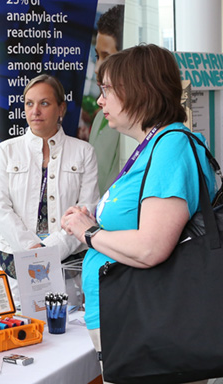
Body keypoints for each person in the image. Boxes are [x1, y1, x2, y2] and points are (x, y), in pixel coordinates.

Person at [62, 44, 216, 384]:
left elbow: (151, 247)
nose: (100, 101)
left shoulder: (171, 146)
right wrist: (95, 224)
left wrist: (89, 233)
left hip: (148, 324)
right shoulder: (155, 146)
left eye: (106, 90)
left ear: (138, 90)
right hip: (137, 320)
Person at [0, 74, 99, 286]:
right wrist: (32, 249)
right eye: (29, 104)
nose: (35, 111)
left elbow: (87, 208)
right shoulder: (7, 151)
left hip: (69, 260)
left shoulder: (84, 152)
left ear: (61, 109)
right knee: (21, 319)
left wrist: (50, 250)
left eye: (44, 103)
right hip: (16, 258)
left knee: (69, 318)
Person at [88, 5, 124, 194]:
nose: (97, 68)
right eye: (97, 56)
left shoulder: (138, 122)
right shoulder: (101, 117)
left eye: (107, 57)